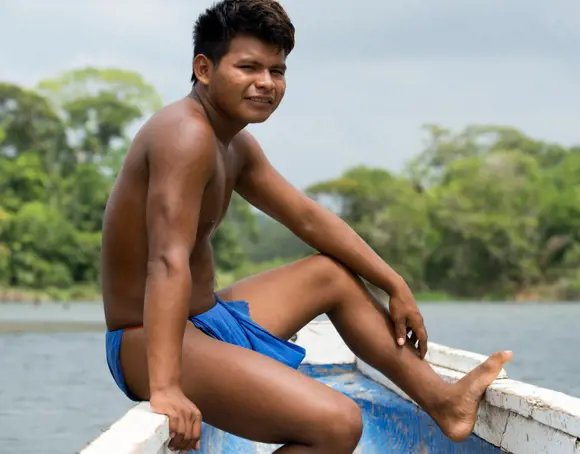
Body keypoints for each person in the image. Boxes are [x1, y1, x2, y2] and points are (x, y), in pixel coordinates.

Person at [100, 0, 513, 452]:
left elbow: (308, 217)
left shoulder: (234, 145)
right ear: (204, 68)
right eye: (248, 67)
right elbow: (166, 259)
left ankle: (445, 404)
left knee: (331, 274)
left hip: (206, 319)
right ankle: (172, 376)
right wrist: (167, 387)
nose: (265, 83)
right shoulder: (185, 135)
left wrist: (394, 284)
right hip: (147, 340)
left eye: (276, 71)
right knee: (337, 424)